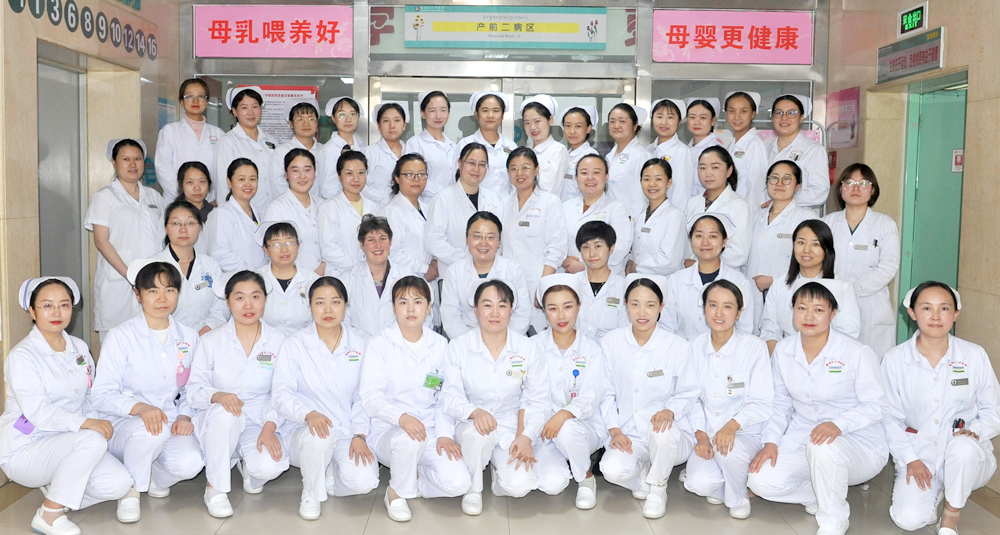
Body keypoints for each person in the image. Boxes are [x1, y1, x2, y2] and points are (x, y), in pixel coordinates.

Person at [749, 282, 888, 535]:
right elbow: (779, 403)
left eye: (819, 310)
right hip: (803, 437)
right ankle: (822, 495)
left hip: (857, 443)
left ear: (833, 314)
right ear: (793, 311)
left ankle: (833, 521)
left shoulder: (856, 352)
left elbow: (877, 405)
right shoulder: (784, 350)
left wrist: (838, 424)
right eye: (802, 308)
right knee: (761, 481)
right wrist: (771, 441)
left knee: (823, 446)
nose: (809, 316)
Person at [0, 277, 132, 535]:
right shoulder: (22, 356)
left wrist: (102, 421)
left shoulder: (79, 348)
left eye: (64, 305)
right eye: (47, 305)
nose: (57, 312)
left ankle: (59, 490)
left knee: (118, 483)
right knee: (91, 439)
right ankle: (49, 513)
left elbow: (89, 398)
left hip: (69, 441)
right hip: (26, 446)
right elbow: (38, 412)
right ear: (32, 311)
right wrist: (88, 424)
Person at [90, 260, 204, 523]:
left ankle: (154, 477)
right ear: (138, 294)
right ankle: (130, 492)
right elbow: (102, 393)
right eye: (153, 291)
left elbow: (193, 386)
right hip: (126, 424)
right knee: (150, 431)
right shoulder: (121, 336)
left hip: (171, 420)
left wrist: (185, 415)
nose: (162, 298)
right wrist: (140, 408)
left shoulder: (189, 336)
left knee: (190, 463)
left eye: (169, 290)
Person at [882, 282, 1000, 535]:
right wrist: (910, 459)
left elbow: (994, 410)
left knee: (962, 446)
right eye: (926, 308)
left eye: (944, 308)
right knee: (908, 520)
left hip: (968, 456)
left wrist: (976, 431)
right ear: (912, 313)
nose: (935, 316)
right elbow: (888, 417)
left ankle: (950, 516)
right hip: (920, 455)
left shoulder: (974, 355)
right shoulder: (895, 359)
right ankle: (939, 491)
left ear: (956, 314)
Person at [358, 276, 472, 522]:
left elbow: (444, 396)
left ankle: (414, 476)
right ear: (393, 307)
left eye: (418, 302)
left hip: (429, 429)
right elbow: (370, 396)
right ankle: (396, 493)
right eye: (403, 302)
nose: (411, 309)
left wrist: (444, 434)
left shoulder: (440, 344)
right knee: (408, 440)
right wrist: (401, 417)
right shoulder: (379, 344)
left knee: (459, 483)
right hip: (389, 430)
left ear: (429, 307)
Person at [271, 277, 380, 520]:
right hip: (305, 432)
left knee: (365, 482)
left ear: (345, 305)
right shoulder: (295, 344)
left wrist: (359, 435)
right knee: (320, 436)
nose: (328, 310)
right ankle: (311, 492)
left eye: (335, 302)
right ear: (310, 306)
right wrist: (308, 414)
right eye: (320, 302)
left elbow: (365, 396)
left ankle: (327, 472)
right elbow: (281, 394)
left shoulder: (361, 344)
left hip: (346, 429)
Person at [440, 280, 550, 515]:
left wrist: (526, 435)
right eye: (487, 305)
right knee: (479, 436)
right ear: (476, 309)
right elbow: (449, 396)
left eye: (502, 305)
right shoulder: (458, 348)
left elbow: (538, 400)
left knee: (520, 487)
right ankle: (473, 488)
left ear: (511, 309)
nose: (494, 313)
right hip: (472, 425)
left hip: (512, 425)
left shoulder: (528, 348)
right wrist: (474, 412)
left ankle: (497, 473)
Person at [186, 270, 289, 517]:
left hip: (258, 419)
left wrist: (270, 426)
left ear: (265, 299)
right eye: (240, 298)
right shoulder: (211, 341)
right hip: (218, 418)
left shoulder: (279, 341)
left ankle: (244, 463)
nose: (248, 305)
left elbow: (284, 391)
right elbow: (194, 390)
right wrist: (218, 396)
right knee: (226, 414)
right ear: (228, 301)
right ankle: (215, 488)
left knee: (270, 467)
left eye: (255, 296)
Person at [599, 276, 699, 519]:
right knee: (611, 470)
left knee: (661, 431)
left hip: (670, 435)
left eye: (650, 305)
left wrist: (670, 410)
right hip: (629, 433)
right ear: (625, 304)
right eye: (635, 304)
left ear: (661, 307)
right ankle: (643, 476)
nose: (642, 312)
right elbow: (605, 391)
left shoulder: (677, 346)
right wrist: (614, 430)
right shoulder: (611, 342)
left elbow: (689, 391)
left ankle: (657, 489)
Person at [683, 280, 773, 519]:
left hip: (745, 433)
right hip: (708, 433)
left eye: (728, 307)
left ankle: (738, 497)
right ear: (704, 309)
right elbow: (690, 398)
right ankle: (735, 481)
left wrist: (732, 426)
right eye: (713, 305)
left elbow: (762, 401)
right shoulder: (693, 348)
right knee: (697, 483)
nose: (719, 313)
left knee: (728, 451)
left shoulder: (755, 347)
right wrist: (701, 434)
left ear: (739, 312)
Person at [531, 274, 608, 509]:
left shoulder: (592, 350)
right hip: (542, 430)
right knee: (552, 485)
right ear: (544, 311)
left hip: (584, 427)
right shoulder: (532, 347)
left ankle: (585, 478)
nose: (561, 316)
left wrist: (564, 414)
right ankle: (567, 461)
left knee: (566, 430)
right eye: (553, 308)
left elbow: (592, 395)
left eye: (568, 307)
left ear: (578, 307)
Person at [85, 138, 164, 341]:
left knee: (151, 340)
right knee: (116, 342)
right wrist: (131, 275)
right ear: (114, 162)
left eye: (137, 159)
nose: (132, 164)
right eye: (126, 159)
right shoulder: (104, 197)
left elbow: (163, 237)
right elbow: (101, 241)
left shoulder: (154, 197)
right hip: (118, 281)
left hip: (152, 279)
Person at [822, 164, 900, 358]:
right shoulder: (826, 223)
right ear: (841, 188)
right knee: (834, 362)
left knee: (871, 364)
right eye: (849, 182)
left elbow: (888, 267)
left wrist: (851, 290)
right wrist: (840, 292)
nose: (856, 188)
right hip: (833, 302)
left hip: (871, 304)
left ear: (873, 190)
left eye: (864, 183)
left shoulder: (885, 224)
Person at [759, 220, 861, 354]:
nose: (807, 250)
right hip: (785, 357)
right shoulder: (780, 284)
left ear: (826, 249)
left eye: (815, 244)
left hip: (828, 358)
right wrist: (781, 360)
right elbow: (769, 331)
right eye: (801, 242)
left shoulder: (842, 287)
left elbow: (847, 334)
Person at [500, 147, 568, 333]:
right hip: (507, 284)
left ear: (537, 170)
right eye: (514, 168)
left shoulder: (550, 202)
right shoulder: (504, 204)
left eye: (526, 167)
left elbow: (557, 247)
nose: (519, 173)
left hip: (537, 283)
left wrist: (543, 287)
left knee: (538, 336)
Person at [664, 214, 756, 340]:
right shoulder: (676, 281)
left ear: (724, 241)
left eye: (713, 236)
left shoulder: (739, 281)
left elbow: (745, 330)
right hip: (684, 350)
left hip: (727, 351)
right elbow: (667, 328)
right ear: (691, 240)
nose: (705, 242)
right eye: (699, 236)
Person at [747, 161, 815, 331]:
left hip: (789, 296)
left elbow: (813, 264)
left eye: (787, 179)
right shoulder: (755, 217)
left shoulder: (806, 219)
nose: (779, 183)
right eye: (774, 178)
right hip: (751, 298)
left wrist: (775, 282)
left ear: (798, 186)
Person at [440, 212, 530, 338]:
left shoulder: (513, 270)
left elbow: (521, 315)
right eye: (477, 236)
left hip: (507, 340)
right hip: (466, 341)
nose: (483, 243)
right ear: (467, 239)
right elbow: (450, 316)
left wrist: (503, 341)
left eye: (490, 237)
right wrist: (471, 343)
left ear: (499, 241)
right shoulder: (454, 272)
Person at [424, 143, 502, 276]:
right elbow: (433, 240)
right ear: (460, 163)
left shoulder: (492, 199)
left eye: (482, 164)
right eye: (471, 163)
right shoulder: (442, 199)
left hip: (490, 273)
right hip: (455, 272)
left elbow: (499, 237)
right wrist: (467, 260)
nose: (476, 169)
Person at [154, 200, 228, 335]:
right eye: (176, 223)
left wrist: (203, 333)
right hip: (164, 340)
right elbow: (145, 313)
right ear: (166, 228)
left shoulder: (211, 265)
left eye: (190, 223)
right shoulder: (151, 266)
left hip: (205, 339)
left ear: (199, 226)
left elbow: (221, 307)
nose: (183, 229)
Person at [345, 215, 422, 340]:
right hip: (361, 345)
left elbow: (421, 315)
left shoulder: (407, 277)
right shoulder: (349, 279)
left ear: (390, 241)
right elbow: (343, 320)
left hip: (400, 344)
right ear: (361, 244)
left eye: (383, 239)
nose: (378, 245)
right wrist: (367, 342)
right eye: (371, 240)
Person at [155, 78, 225, 204]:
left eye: (200, 96)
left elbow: (222, 170)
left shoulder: (218, 134)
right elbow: (163, 169)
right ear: (181, 101)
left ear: (207, 101)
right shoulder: (170, 131)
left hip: (210, 203)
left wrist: (213, 198)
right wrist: (185, 196)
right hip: (178, 202)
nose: (195, 101)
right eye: (189, 96)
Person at [562, 155, 634, 275]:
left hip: (605, 279)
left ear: (606, 177)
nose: (590, 178)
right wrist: (562, 259)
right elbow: (555, 241)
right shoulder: (565, 207)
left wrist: (583, 265)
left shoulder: (618, 209)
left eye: (596, 172)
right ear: (576, 177)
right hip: (569, 277)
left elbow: (619, 249)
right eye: (584, 173)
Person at [684, 146, 753, 272]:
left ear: (729, 171)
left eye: (715, 167)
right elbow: (687, 244)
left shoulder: (738, 206)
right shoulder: (693, 203)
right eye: (702, 168)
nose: (708, 173)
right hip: (691, 273)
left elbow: (738, 253)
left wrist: (700, 263)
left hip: (723, 275)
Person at [318, 151, 383, 278]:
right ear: (339, 176)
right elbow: (329, 249)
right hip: (341, 275)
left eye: (361, 173)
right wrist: (359, 267)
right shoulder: (330, 207)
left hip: (370, 274)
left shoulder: (374, 207)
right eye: (349, 173)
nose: (355, 178)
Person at [214, 86, 276, 212]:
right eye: (244, 107)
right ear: (234, 111)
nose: (250, 112)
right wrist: (227, 213)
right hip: (243, 212)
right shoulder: (227, 141)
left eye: (255, 106)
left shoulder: (271, 140)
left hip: (272, 210)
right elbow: (222, 184)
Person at [264, 148, 324, 275]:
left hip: (326, 276)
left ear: (315, 173)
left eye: (307, 170)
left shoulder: (323, 205)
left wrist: (323, 267)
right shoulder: (276, 208)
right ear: (286, 174)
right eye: (295, 170)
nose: (302, 176)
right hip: (293, 279)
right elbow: (274, 251)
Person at [254, 221, 319, 336]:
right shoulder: (255, 280)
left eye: (289, 242)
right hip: (265, 343)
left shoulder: (312, 279)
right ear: (266, 249)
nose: (284, 249)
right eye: (276, 244)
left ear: (298, 246)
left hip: (303, 344)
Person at [767, 95, 829, 213]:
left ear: (801, 117)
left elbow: (820, 191)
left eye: (791, 113)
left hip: (799, 216)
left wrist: (783, 200)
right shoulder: (766, 148)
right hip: (767, 215)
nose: (784, 118)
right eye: (779, 113)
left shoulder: (813, 150)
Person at [204, 158, 268, 273]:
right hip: (239, 279)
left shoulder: (260, 213)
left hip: (263, 278)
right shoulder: (222, 214)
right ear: (229, 182)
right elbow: (220, 255)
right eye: (242, 179)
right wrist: (253, 274)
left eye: (252, 179)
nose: (248, 184)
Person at [627, 158, 686, 277]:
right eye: (646, 179)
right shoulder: (641, 215)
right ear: (641, 182)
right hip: (637, 281)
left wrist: (637, 268)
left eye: (658, 179)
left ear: (669, 182)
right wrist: (629, 261)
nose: (652, 184)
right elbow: (636, 250)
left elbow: (669, 260)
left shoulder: (675, 216)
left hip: (662, 282)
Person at [572, 221, 629, 341]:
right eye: (586, 247)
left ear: (611, 248)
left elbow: (626, 330)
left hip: (612, 350)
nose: (592, 253)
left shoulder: (624, 287)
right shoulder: (571, 284)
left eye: (598, 246)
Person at [458, 91, 517, 197]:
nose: (490, 115)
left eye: (496, 111)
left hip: (506, 205)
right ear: (477, 114)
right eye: (485, 111)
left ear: (502, 115)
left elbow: (515, 182)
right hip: (475, 204)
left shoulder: (511, 146)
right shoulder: (465, 144)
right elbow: (457, 180)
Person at [404, 91, 457, 201]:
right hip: (427, 203)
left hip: (453, 202)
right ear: (423, 114)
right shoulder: (414, 144)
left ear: (448, 114)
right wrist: (445, 194)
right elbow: (412, 178)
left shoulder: (453, 146)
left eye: (443, 110)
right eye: (432, 110)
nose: (438, 116)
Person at [605, 103, 653, 221]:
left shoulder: (640, 156)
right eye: (612, 121)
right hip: (609, 220)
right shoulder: (609, 156)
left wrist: (634, 226)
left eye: (622, 121)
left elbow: (640, 200)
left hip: (628, 222)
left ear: (635, 126)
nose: (616, 125)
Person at [269, 98, 324, 200]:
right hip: (290, 207)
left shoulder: (324, 150)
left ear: (317, 123)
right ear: (291, 124)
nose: (306, 123)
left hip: (322, 207)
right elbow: (278, 186)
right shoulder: (282, 151)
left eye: (311, 119)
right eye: (300, 119)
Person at [724, 91, 770, 210]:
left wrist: (749, 216)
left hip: (745, 213)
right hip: (732, 210)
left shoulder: (755, 145)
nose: (737, 117)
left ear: (753, 114)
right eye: (732, 111)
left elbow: (757, 190)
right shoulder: (732, 145)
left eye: (743, 111)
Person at [647, 98, 694, 210]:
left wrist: (675, 216)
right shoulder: (648, 150)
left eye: (670, 117)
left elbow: (681, 192)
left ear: (679, 121)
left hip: (670, 213)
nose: (664, 122)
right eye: (659, 117)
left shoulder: (682, 151)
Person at [317, 97, 367, 200]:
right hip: (337, 205)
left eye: (352, 114)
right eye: (342, 115)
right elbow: (328, 189)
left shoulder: (363, 148)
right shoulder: (328, 150)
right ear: (333, 118)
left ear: (358, 117)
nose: (348, 119)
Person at [520, 95, 570, 198]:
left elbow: (549, 186)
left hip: (546, 206)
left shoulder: (558, 150)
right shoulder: (524, 152)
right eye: (527, 123)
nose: (532, 127)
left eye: (537, 121)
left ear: (550, 120)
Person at [363, 102, 408, 206]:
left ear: (404, 125)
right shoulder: (369, 153)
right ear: (379, 126)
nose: (392, 126)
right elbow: (361, 185)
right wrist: (387, 198)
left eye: (397, 120)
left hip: (406, 209)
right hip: (378, 210)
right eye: (386, 121)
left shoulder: (410, 151)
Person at [558, 105, 599, 202]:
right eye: (568, 126)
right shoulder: (564, 154)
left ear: (588, 128)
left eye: (578, 126)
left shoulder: (591, 157)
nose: (572, 131)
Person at [685, 98, 723, 198]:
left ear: (713, 121)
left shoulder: (716, 151)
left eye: (703, 118)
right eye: (692, 117)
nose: (697, 122)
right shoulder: (685, 150)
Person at [176, 161, 215, 234]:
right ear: (181, 185)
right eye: (190, 182)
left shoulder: (215, 213)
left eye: (202, 181)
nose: (197, 188)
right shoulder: (173, 214)